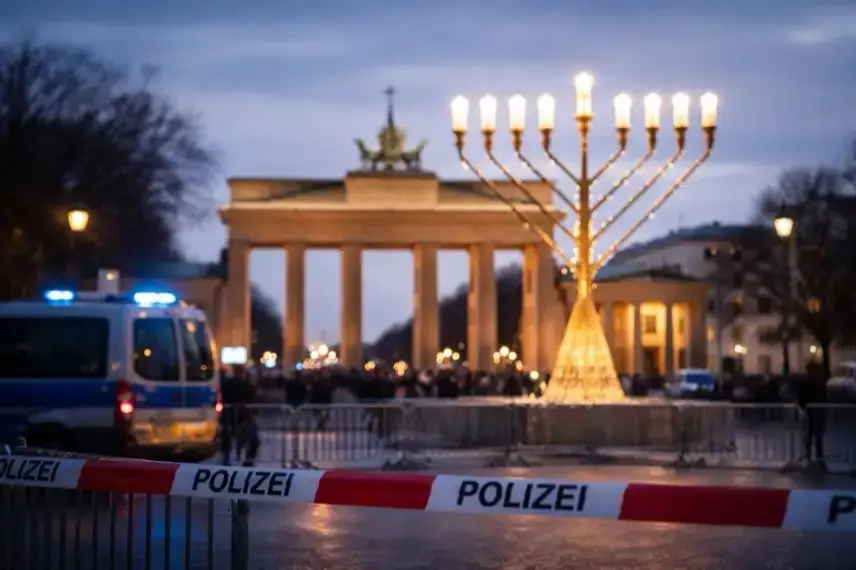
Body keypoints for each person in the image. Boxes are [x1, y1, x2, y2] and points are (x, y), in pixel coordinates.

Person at [219, 366, 260, 466]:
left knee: (229, 438)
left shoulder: (227, 384)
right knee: (253, 440)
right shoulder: (245, 384)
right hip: (244, 416)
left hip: (229, 415)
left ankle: (227, 458)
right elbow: (252, 395)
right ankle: (248, 460)